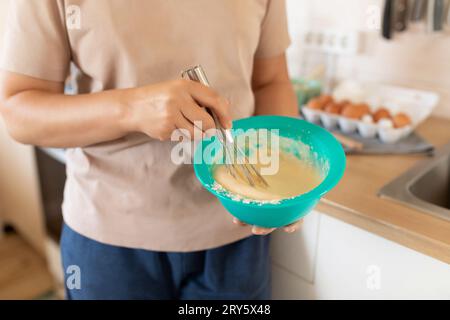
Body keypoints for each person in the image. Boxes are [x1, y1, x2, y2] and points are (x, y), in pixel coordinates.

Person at [0, 0, 300, 300]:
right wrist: (132, 109)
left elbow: (270, 81)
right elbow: (18, 111)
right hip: (109, 242)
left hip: (236, 238)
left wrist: (278, 182)